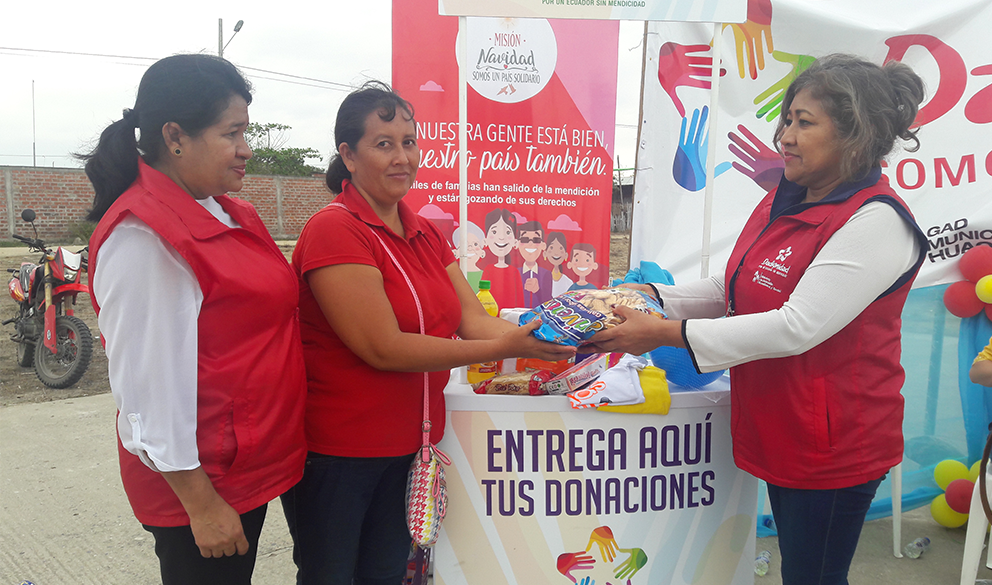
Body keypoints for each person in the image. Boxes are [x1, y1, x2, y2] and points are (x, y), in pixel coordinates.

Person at [587, 54, 927, 585]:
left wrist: (661, 333)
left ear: (855, 136)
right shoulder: (782, 200)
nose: (785, 136)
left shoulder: (877, 221)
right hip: (781, 424)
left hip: (833, 444)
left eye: (804, 122)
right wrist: (650, 295)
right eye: (788, 119)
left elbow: (796, 325)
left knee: (813, 577)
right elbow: (733, 287)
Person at [283, 81, 574, 585]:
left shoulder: (424, 231)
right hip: (339, 452)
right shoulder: (335, 229)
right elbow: (383, 347)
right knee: (331, 576)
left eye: (409, 142)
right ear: (348, 155)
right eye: (384, 144)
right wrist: (507, 345)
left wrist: (550, 330)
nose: (403, 157)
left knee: (386, 575)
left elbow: (472, 320)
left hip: (410, 447)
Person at [81, 54, 307, 585]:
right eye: (232, 134)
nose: (246, 149)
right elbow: (146, 389)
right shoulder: (145, 236)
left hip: (245, 462)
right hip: (202, 485)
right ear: (175, 136)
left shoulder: (228, 210)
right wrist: (201, 504)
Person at [481, 207, 526, 309]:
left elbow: (519, 300)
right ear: (486, 240)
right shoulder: (488, 269)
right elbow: (482, 297)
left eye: (507, 232)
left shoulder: (514, 272)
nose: (501, 238)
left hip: (510, 315)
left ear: (515, 241)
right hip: (490, 314)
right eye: (494, 232)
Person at [517, 219, 553, 307]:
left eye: (536, 240)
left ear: (543, 245)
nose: (530, 243)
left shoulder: (546, 274)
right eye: (525, 239)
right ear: (517, 243)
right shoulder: (515, 272)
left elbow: (549, 303)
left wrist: (537, 291)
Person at [546, 231, 574, 296]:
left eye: (561, 248)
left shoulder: (568, 282)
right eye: (552, 247)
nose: (556, 253)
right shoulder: (542, 280)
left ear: (566, 255)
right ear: (545, 253)